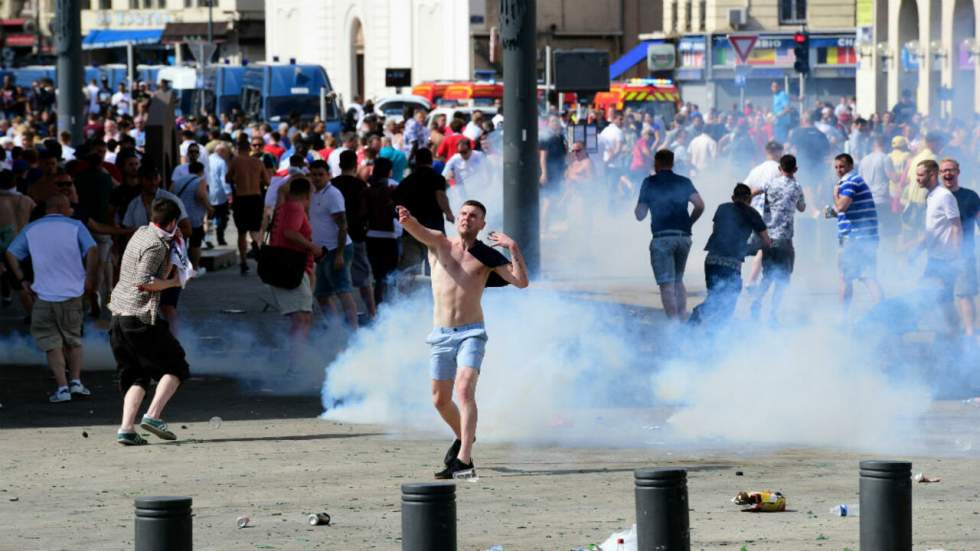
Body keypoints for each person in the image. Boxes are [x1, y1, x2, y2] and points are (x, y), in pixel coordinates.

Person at [396, 199, 528, 479]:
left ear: (482, 224)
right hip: (441, 333)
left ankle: (464, 460)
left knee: (465, 388)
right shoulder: (440, 244)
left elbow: (520, 281)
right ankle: (464, 438)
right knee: (439, 400)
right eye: (464, 213)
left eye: (474, 216)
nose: (467, 218)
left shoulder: (487, 256)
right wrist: (407, 219)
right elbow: (418, 230)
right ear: (457, 219)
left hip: (472, 332)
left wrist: (513, 247)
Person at [109, 198, 191, 446]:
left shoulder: (141, 232)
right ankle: (153, 416)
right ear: (173, 221)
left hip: (119, 317)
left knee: (136, 375)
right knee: (176, 366)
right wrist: (175, 282)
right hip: (140, 317)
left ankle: (126, 429)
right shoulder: (157, 245)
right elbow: (145, 281)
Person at [5, 194, 98, 403]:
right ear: (61, 206)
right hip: (72, 294)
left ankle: (62, 388)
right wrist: (90, 277)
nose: (72, 210)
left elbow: (11, 253)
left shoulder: (32, 229)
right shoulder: (76, 226)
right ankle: (76, 382)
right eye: (69, 206)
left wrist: (22, 280)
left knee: (51, 344)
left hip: (43, 296)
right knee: (73, 341)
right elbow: (92, 249)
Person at [634, 150, 705, 320]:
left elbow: (640, 215)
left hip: (662, 238)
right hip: (683, 237)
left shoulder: (649, 182)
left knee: (666, 284)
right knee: (678, 280)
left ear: (656, 163)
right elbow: (700, 205)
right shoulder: (684, 181)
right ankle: (681, 318)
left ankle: (674, 327)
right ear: (672, 163)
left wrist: (642, 202)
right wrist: (689, 223)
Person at [122, 165, 192, 334]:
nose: (153, 182)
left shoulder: (171, 200)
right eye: (149, 178)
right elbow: (126, 232)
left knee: (168, 306)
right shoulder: (135, 204)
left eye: (156, 178)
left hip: (171, 259)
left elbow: (187, 229)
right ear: (141, 180)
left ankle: (175, 343)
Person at [689, 184, 770, 326]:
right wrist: (751, 248)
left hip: (712, 260)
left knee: (714, 297)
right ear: (749, 199)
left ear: (733, 197)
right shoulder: (752, 213)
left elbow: (716, 231)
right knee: (728, 301)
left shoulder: (722, 208)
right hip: (731, 264)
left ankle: (693, 326)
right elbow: (766, 242)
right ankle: (716, 335)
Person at [749, 155, 806, 322]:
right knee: (782, 280)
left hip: (768, 237)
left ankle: (757, 302)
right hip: (785, 240)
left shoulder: (771, 183)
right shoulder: (796, 187)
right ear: (795, 169)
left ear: (780, 169)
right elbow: (802, 208)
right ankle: (773, 314)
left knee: (767, 276)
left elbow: (752, 192)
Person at [267, 177, 321, 353]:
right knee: (301, 319)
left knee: (304, 317)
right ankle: (295, 365)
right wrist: (312, 247)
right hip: (289, 268)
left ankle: (298, 362)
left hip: (292, 268)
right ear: (307, 193)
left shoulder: (286, 207)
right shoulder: (295, 207)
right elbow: (289, 233)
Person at [906, 160, 962, 331]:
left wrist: (955, 255)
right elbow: (933, 229)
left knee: (933, 295)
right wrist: (918, 248)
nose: (917, 179)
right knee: (940, 298)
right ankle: (953, 331)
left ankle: (955, 332)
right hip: (935, 258)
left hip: (945, 259)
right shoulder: (931, 196)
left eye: (921, 175)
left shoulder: (944, 196)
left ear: (932, 175)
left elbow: (956, 225)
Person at [308, 160, 359, 329]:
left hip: (337, 249)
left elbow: (343, 225)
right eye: (313, 174)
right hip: (322, 252)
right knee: (322, 294)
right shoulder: (313, 193)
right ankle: (336, 328)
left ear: (328, 175)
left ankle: (354, 332)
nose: (316, 178)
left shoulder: (333, 194)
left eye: (320, 174)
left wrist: (339, 254)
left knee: (342, 290)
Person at [832, 153, 882, 317]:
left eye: (842, 167)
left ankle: (844, 318)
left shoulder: (850, 181)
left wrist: (835, 194)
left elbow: (841, 206)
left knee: (858, 277)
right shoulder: (851, 180)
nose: (839, 170)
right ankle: (884, 315)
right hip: (859, 237)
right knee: (861, 276)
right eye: (836, 167)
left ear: (850, 166)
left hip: (856, 238)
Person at [394, 148, 454, 278]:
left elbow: (396, 204)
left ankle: (405, 297)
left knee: (409, 270)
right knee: (436, 268)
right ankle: (431, 297)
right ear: (431, 160)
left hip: (411, 230)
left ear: (416, 161)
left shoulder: (406, 181)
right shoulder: (437, 178)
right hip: (433, 231)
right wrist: (449, 214)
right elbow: (440, 196)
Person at [331, 150, 376, 321]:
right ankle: (371, 314)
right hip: (356, 235)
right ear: (355, 164)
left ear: (340, 165)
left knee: (336, 280)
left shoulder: (332, 184)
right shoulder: (360, 185)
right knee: (363, 278)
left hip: (335, 238)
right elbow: (366, 211)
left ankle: (337, 317)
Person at [940, 159, 979, 335]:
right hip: (940, 255)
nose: (947, 174)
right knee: (942, 296)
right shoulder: (935, 196)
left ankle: (970, 334)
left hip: (964, 253)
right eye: (944, 171)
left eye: (951, 170)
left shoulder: (970, 196)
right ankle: (954, 329)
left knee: (965, 294)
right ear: (939, 174)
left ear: (958, 172)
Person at [226, 136, 270, 275]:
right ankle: (256, 246)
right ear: (249, 148)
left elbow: (228, 178)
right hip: (255, 197)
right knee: (255, 230)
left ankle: (244, 261)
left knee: (241, 232)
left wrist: (237, 178)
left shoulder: (236, 161)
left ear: (238, 149)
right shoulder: (258, 162)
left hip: (241, 198)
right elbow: (267, 181)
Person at [743, 141, 784, 286]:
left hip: (754, 213)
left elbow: (744, 189)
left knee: (759, 247)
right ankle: (753, 282)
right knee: (764, 248)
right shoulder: (779, 170)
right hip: (770, 216)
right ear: (779, 152)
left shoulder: (756, 170)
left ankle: (749, 280)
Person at [365, 158, 400, 304]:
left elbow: (363, 213)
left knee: (378, 276)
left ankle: (378, 308)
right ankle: (390, 308)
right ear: (390, 170)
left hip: (372, 235)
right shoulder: (395, 186)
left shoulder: (368, 188)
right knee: (391, 275)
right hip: (390, 236)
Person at [171, 161, 210, 272]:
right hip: (194, 218)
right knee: (195, 243)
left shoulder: (177, 181)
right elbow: (201, 195)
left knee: (179, 242)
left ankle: (179, 268)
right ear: (202, 171)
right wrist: (209, 208)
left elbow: (170, 193)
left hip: (179, 217)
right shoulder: (200, 181)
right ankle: (194, 268)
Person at [207, 143, 232, 247]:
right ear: (222, 151)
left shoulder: (207, 160)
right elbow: (224, 179)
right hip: (220, 194)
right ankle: (220, 237)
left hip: (208, 193)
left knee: (208, 218)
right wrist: (229, 193)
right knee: (222, 217)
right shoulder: (221, 162)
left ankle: (208, 239)